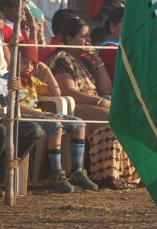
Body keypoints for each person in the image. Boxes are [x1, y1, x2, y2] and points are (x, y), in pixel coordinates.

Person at [47, 16, 140, 189]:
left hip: (93, 104)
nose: (89, 40)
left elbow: (106, 90)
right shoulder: (61, 58)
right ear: (69, 39)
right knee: (110, 120)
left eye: (89, 35)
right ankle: (106, 176)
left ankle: (127, 175)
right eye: (83, 36)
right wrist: (99, 102)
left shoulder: (84, 60)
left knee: (126, 117)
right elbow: (68, 92)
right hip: (75, 106)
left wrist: (98, 60)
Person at [16, 47, 98, 192]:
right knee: (56, 125)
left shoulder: (33, 81)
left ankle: (76, 172)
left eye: (32, 63)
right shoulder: (12, 82)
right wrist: (44, 115)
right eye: (23, 62)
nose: (28, 67)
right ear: (15, 61)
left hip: (42, 115)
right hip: (24, 117)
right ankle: (56, 174)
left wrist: (46, 70)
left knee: (79, 124)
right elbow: (15, 106)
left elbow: (56, 92)